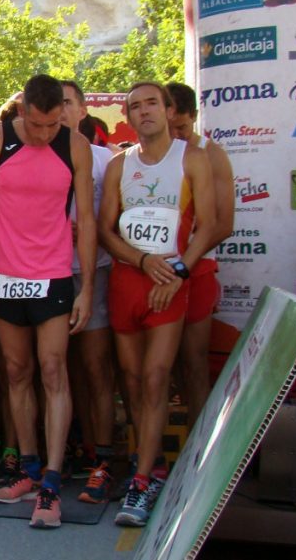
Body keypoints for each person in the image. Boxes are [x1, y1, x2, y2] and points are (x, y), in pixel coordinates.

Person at [0, 74, 95, 529]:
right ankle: (29, 468)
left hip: (54, 275)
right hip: (3, 275)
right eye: (38, 125)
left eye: (53, 124)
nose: (45, 134)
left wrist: (88, 289)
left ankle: (53, 484)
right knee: (17, 373)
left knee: (53, 370)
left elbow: (87, 219)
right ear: (22, 112)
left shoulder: (73, 145)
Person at [98, 82, 215, 527]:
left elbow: (207, 224)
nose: (143, 111)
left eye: (151, 103)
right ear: (127, 117)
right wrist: (142, 259)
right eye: (135, 106)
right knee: (129, 379)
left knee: (156, 377)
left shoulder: (193, 158)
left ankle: (142, 481)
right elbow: (107, 230)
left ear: (169, 110)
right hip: (129, 280)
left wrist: (180, 270)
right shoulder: (118, 165)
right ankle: (149, 464)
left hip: (169, 283)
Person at [59, 80, 119, 503]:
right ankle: (64, 453)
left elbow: (118, 222)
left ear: (83, 110)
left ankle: (104, 459)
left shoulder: (105, 161)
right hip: (47, 277)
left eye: (67, 103)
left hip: (92, 273)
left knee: (97, 369)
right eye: (52, 104)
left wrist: (92, 233)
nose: (59, 111)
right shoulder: (30, 157)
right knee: (57, 369)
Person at [166, 82, 234, 427]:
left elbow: (222, 224)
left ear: (194, 118)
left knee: (194, 360)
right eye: (170, 127)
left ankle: (200, 443)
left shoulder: (211, 154)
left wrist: (184, 262)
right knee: (160, 365)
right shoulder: (145, 155)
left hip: (196, 271)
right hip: (155, 273)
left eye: (182, 127)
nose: (176, 135)